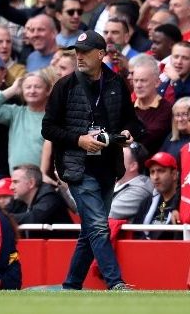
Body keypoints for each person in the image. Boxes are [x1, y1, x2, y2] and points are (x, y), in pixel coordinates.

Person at [42, 31, 143, 291]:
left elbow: (130, 119)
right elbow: (48, 129)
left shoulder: (117, 83)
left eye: (84, 52)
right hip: (77, 167)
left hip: (108, 166)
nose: (79, 56)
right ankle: (116, 283)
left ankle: (71, 285)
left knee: (89, 231)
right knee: (99, 226)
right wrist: (79, 140)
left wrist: (129, 132)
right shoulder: (64, 86)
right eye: (76, 52)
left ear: (101, 54)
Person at [8, 164, 73, 238]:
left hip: (63, 248)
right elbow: (2, 212)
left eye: (15, 182)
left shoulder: (50, 196)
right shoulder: (19, 199)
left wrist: (6, 217)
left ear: (31, 183)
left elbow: (34, 218)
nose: (11, 187)